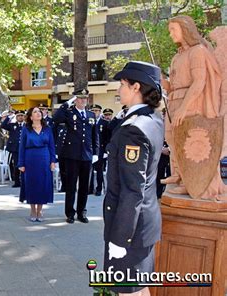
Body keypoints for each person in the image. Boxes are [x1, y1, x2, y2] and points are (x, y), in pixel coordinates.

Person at [103, 61, 164, 296]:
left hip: (131, 228)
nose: (119, 89)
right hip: (143, 223)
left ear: (136, 87)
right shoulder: (153, 119)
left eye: (122, 84)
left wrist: (120, 239)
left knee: (128, 291)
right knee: (139, 288)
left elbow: (132, 190)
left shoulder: (134, 129)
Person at [161, 15, 225, 197]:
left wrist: (184, 108)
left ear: (185, 30)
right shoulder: (177, 56)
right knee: (172, 138)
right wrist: (163, 82)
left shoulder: (198, 51)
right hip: (174, 100)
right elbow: (174, 85)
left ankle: (193, 182)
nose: (170, 33)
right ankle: (180, 175)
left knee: (190, 142)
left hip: (192, 103)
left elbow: (199, 82)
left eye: (173, 29)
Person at [53, 88, 99, 224]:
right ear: (76, 100)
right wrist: (67, 103)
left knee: (85, 186)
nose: (83, 101)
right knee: (71, 186)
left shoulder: (91, 114)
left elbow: (94, 135)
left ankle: (81, 212)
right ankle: (70, 213)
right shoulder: (68, 113)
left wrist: (96, 153)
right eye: (80, 98)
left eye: (85, 98)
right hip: (71, 155)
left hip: (86, 155)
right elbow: (56, 118)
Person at [18, 107, 56, 222]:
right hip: (30, 159)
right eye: (35, 112)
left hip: (44, 158)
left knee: (43, 184)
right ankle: (32, 210)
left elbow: (52, 146)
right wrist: (21, 163)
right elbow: (21, 147)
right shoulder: (26, 129)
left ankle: (40, 210)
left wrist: (53, 161)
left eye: (39, 111)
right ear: (30, 117)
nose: (38, 113)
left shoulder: (47, 129)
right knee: (31, 184)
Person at [89, 104, 109, 196]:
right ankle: (89, 189)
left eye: (96, 111)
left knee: (99, 171)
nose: (94, 112)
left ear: (100, 112)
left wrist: (105, 151)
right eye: (93, 111)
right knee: (89, 171)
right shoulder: (88, 121)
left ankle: (99, 189)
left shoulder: (104, 123)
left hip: (100, 150)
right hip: (89, 150)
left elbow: (107, 138)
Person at [1, 110, 25, 188]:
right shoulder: (12, 125)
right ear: (16, 117)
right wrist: (9, 117)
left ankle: (25, 181)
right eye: (18, 116)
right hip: (15, 148)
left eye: (21, 115)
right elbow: (3, 125)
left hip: (25, 148)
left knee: (26, 165)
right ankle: (17, 181)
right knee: (16, 165)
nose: (20, 117)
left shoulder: (27, 125)